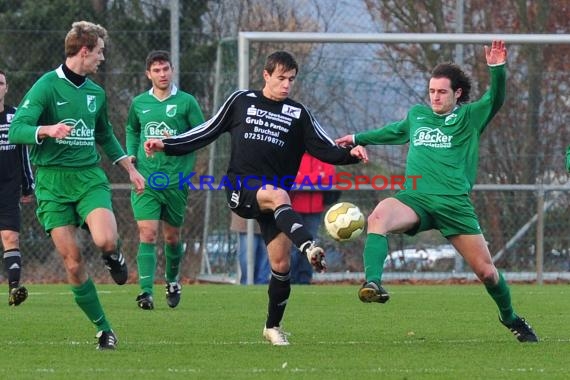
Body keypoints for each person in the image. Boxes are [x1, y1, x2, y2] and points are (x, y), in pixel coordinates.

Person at [144, 51, 368, 345]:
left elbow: (324, 147)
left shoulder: (298, 114)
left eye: (291, 79)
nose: (286, 85)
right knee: (278, 195)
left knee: (281, 265)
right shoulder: (241, 101)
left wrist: (350, 154)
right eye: (281, 78)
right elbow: (206, 130)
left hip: (275, 202)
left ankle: (272, 327)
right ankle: (309, 246)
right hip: (241, 187)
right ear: (266, 75)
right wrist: (166, 144)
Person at [336, 40, 538, 343]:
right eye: (431, 91)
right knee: (378, 216)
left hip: (454, 205)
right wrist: (357, 137)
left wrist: (497, 69)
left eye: (442, 91)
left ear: (457, 93)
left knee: (487, 273)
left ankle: (510, 317)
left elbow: (496, 98)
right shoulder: (418, 115)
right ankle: (373, 283)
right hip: (415, 198)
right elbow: (393, 132)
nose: (435, 97)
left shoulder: (470, 117)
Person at [8, 21, 145, 350]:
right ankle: (103, 328)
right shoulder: (46, 86)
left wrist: (129, 167)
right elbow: (17, 130)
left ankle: (114, 256)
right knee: (72, 261)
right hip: (52, 185)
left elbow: (105, 136)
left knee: (106, 238)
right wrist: (46, 130)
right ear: (84, 51)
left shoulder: (96, 93)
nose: (102, 58)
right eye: (99, 52)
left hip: (88, 179)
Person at [125, 50, 205, 310]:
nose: (162, 74)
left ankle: (172, 280)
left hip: (175, 180)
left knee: (172, 238)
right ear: (148, 74)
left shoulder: (186, 102)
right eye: (156, 70)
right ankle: (145, 292)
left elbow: (201, 134)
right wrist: (130, 156)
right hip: (145, 180)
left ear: (172, 71)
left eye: (166, 69)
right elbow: (132, 129)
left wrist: (173, 147)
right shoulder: (139, 103)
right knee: (147, 233)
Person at [0, 69, 35, 306]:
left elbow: (24, 153)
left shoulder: (15, 117)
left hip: (9, 189)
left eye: (0, 83)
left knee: (11, 238)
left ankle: (14, 290)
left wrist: (28, 184)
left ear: (6, 87)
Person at [289, 152, 336, 284]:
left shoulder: (322, 156)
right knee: (294, 246)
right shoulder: (294, 156)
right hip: (295, 208)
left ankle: (304, 279)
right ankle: (290, 279)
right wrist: (317, 176)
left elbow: (329, 178)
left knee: (311, 246)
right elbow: (293, 179)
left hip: (315, 209)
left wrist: (305, 179)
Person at [230, 213, 270, 285]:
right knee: (247, 255)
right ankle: (247, 283)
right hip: (246, 216)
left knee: (265, 255)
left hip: (267, 218)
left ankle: (262, 285)